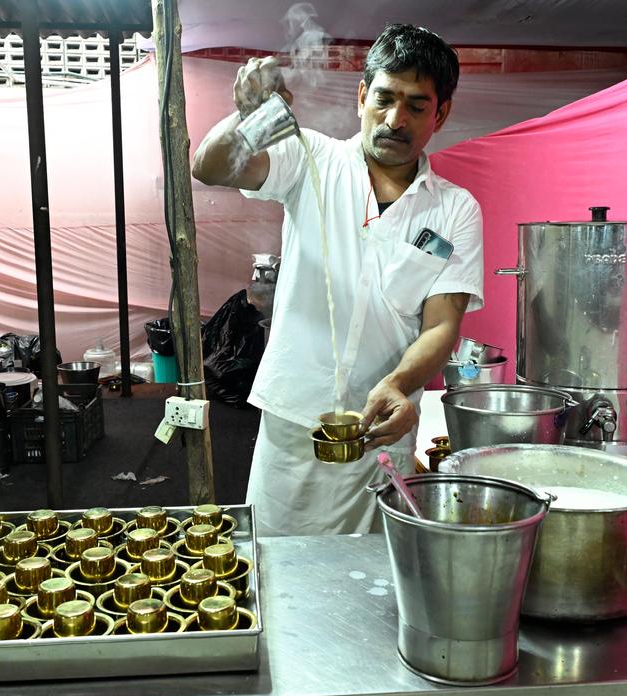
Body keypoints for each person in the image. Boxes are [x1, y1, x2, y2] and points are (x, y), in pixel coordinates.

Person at [192, 24, 483, 536]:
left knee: (368, 581)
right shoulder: (312, 159)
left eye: (416, 105)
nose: (395, 119)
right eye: (385, 98)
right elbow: (211, 167)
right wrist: (250, 118)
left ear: (442, 113)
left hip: (379, 430)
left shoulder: (454, 208)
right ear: (362, 96)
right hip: (292, 419)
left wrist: (398, 384)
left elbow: (441, 324)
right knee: (275, 564)